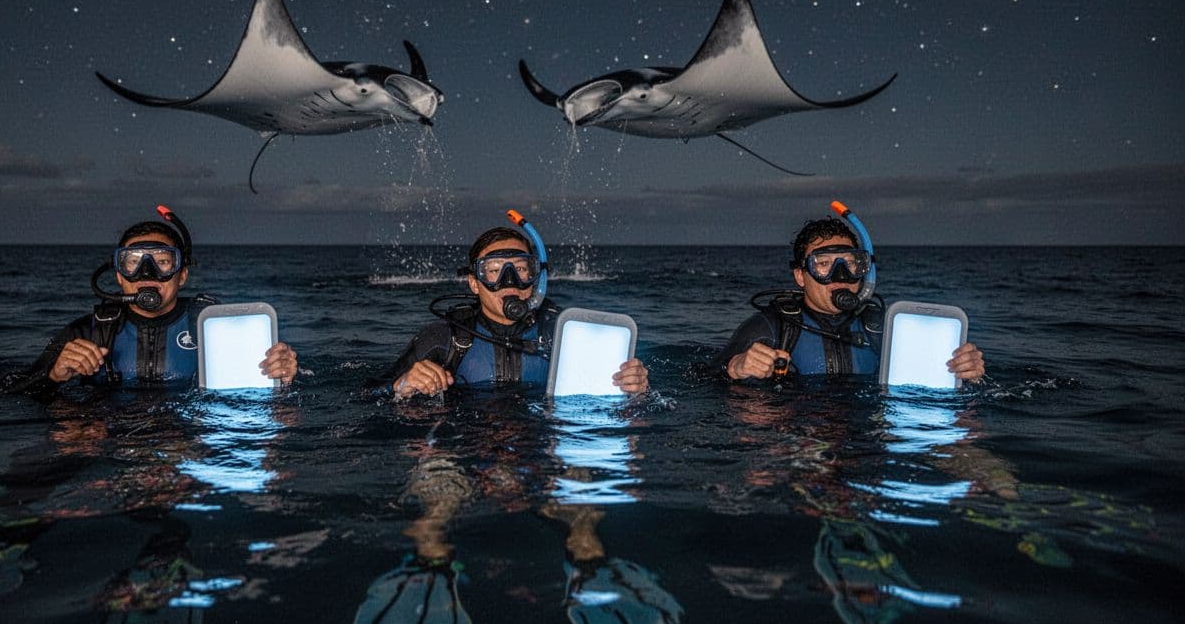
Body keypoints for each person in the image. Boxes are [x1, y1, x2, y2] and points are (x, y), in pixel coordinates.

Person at [23, 205, 298, 390]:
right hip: (108, 441)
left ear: (183, 275)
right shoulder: (87, 333)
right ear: (119, 274)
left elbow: (261, 398)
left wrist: (284, 376)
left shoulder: (213, 327)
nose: (147, 274)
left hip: (191, 442)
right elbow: (15, 391)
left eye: (163, 262)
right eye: (133, 263)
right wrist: (54, 376)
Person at [379, 219, 649, 398]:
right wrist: (401, 385)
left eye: (520, 269)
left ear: (536, 278)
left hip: (543, 452)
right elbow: (369, 394)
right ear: (474, 283)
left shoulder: (564, 334)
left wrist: (637, 388)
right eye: (494, 271)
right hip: (469, 449)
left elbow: (610, 400)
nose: (510, 283)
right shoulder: (444, 339)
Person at [716, 214, 985, 382]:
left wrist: (968, 372)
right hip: (796, 442)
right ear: (800, 276)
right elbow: (703, 380)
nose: (840, 275)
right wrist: (736, 368)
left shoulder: (882, 328)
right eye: (823, 263)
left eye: (851, 263)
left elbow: (929, 385)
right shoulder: (770, 329)